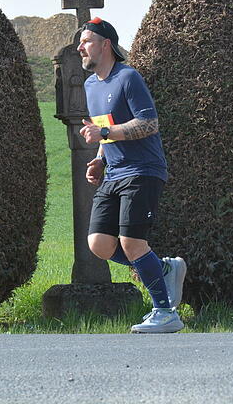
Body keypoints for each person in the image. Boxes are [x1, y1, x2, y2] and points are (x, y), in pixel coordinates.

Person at [78, 17, 187, 333]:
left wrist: (105, 132)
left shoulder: (128, 78)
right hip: (113, 173)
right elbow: (105, 128)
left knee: (131, 241)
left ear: (104, 44)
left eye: (85, 41)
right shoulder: (91, 85)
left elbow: (149, 123)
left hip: (143, 170)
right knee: (99, 244)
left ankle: (165, 313)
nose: (80, 47)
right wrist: (100, 158)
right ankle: (163, 268)